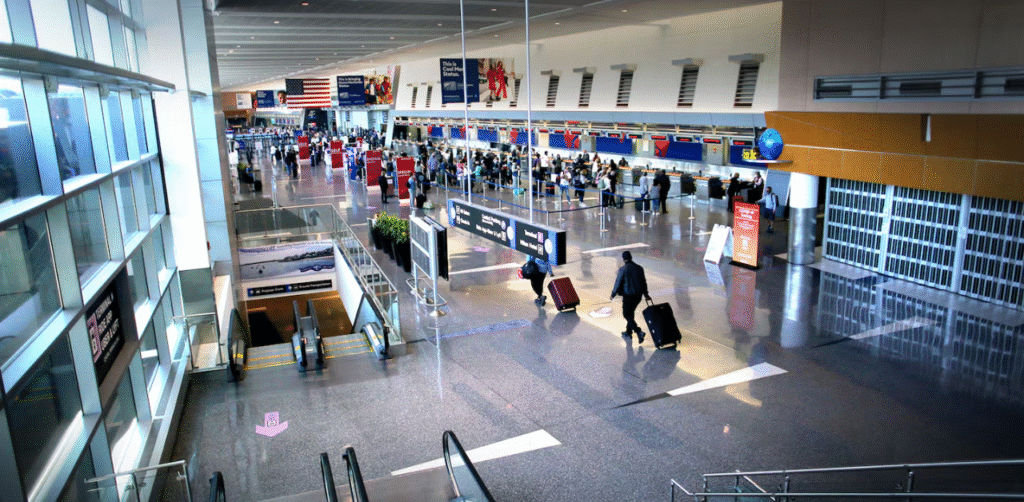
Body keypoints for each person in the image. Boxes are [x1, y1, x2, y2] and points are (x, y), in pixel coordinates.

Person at [610, 251, 651, 343]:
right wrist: (646, 295)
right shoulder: (639, 268)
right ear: (631, 257)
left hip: (628, 296)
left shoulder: (623, 269)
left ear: (623, 259)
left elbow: (618, 283)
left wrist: (613, 294)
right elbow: (644, 283)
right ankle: (628, 332)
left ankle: (638, 331)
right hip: (638, 296)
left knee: (626, 314)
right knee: (630, 313)